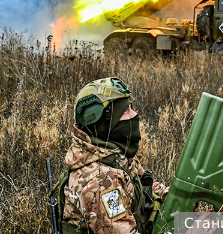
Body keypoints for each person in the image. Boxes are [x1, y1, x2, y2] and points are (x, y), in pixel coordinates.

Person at [59, 77, 169, 234]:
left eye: (131, 107)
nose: (134, 114)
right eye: (125, 111)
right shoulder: (99, 181)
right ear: (104, 122)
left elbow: (148, 186)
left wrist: (178, 198)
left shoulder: (114, 154)